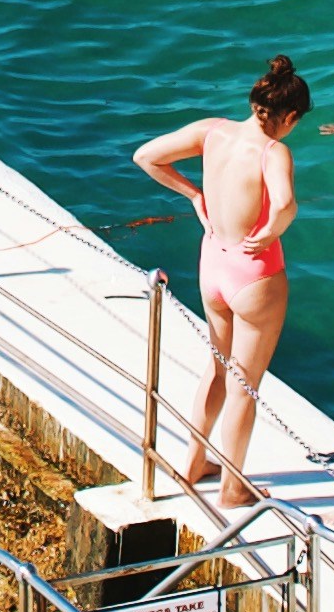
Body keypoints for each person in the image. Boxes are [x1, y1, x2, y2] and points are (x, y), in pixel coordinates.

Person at [132, 62, 308, 512]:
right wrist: (270, 232)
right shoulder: (273, 152)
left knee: (215, 367)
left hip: (213, 266)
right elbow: (285, 204)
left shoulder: (213, 132)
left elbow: (146, 156)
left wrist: (194, 194)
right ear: (288, 117)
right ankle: (232, 485)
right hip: (254, 274)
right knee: (245, 383)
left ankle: (193, 463)